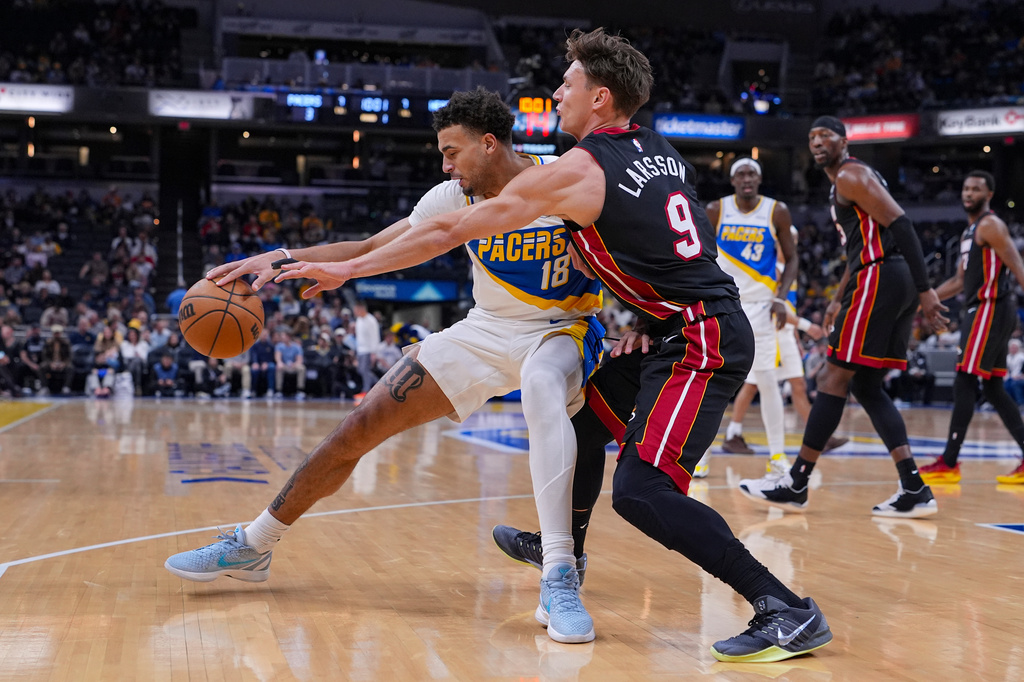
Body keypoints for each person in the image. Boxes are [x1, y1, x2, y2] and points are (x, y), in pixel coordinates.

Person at [261, 29, 833, 662]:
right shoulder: (660, 152)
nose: (558, 91)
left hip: (700, 338)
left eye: (570, 82)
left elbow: (454, 227)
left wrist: (344, 271)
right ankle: (563, 551)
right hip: (677, 325)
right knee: (581, 418)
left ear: (600, 98)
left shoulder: (579, 169)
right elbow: (681, 238)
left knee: (642, 492)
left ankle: (783, 607)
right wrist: (645, 313)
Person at [165, 87, 605, 644]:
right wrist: (281, 258)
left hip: (562, 330)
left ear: (489, 143)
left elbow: (632, 246)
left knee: (541, 386)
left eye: (452, 151)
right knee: (359, 426)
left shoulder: (560, 178)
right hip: (485, 330)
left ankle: (560, 573)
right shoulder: (451, 197)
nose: (444, 165)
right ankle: (253, 545)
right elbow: (373, 243)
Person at [738, 116, 949, 518]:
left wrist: (926, 290)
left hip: (884, 275)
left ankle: (797, 481)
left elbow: (901, 223)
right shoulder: (846, 182)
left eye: (826, 136)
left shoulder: (852, 174)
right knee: (867, 386)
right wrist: (837, 299)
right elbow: (857, 250)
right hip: (882, 275)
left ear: (844, 142)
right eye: (812, 137)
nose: (817, 143)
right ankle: (914, 488)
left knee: (830, 378)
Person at [918, 171, 1024, 485]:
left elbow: (1017, 264)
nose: (969, 193)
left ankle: (949, 462)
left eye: (976, 189)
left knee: (964, 380)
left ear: (988, 194)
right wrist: (926, 298)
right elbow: (960, 282)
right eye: (965, 188)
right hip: (985, 310)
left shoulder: (990, 225)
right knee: (991, 387)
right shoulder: (969, 233)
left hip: (990, 308)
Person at [720, 224, 846, 462]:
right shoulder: (769, 270)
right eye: (788, 239)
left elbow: (787, 308)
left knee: (797, 384)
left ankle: (818, 436)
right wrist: (808, 327)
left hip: (786, 334)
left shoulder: (789, 268)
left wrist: (796, 337)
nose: (792, 244)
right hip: (771, 333)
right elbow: (773, 310)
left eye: (795, 240)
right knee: (754, 383)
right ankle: (733, 433)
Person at [707, 158, 798, 475]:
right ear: (732, 181)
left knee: (768, 380)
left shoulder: (776, 211)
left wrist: (781, 298)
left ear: (759, 180)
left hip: (761, 307)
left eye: (752, 174)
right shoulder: (717, 210)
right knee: (714, 381)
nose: (747, 178)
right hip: (726, 304)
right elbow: (701, 255)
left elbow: (794, 258)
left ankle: (777, 457)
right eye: (741, 174)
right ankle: (700, 459)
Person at [352, 302, 380, 395]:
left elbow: (374, 336)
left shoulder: (371, 320)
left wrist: (373, 352)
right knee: (361, 370)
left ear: (361, 309)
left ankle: (366, 390)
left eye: (356, 310)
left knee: (365, 370)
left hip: (368, 350)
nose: (354, 312)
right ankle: (378, 384)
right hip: (360, 349)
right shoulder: (359, 320)